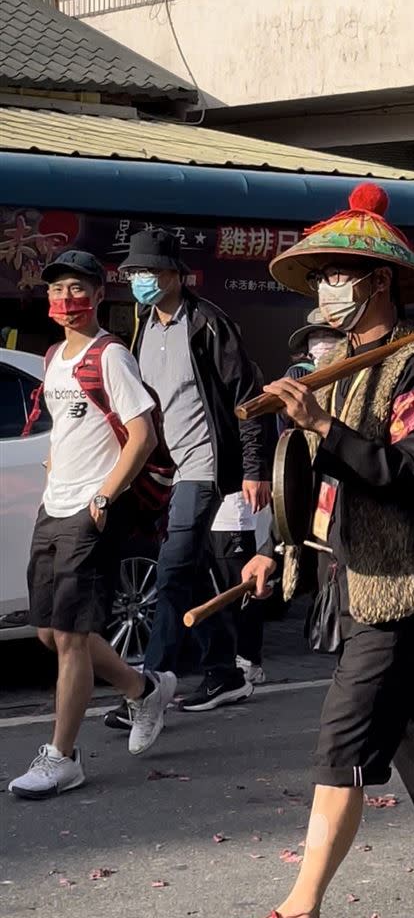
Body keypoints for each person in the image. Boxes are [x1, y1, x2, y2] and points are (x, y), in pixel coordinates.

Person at [211, 183, 414, 918]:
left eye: (339, 274)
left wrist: (321, 424)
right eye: (320, 278)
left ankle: (299, 912)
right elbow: (310, 486)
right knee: (409, 725)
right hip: (346, 575)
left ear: (377, 282)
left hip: (404, 577)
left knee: (342, 738)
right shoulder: (336, 365)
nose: (326, 290)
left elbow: (409, 473)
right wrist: (274, 548)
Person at [9, 251, 176, 799]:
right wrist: (54, 468)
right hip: (53, 506)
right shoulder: (55, 356)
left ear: (99, 295)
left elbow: (142, 434)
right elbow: (66, 429)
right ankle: (141, 688)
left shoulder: (112, 357)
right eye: (57, 290)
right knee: (46, 632)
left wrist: (104, 495)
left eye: (78, 289)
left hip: (90, 510)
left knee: (73, 636)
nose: (66, 301)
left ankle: (62, 757)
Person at [104, 229, 272, 725]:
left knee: (174, 569)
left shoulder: (208, 324)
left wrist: (254, 469)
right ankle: (224, 669)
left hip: (201, 467)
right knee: (192, 570)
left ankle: (147, 688)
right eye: (135, 273)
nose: (142, 281)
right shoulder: (142, 325)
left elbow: (250, 399)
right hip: (163, 470)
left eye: (152, 272)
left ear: (178, 275)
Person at [209, 491, 269, 686]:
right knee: (220, 594)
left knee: (241, 593)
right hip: (210, 515)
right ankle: (232, 660)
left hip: (236, 519)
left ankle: (249, 661)